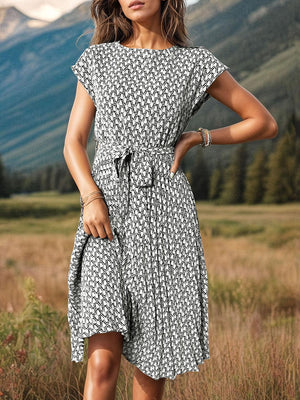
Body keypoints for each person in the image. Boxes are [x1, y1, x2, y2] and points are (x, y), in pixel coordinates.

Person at [63, 0, 278, 399]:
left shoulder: (195, 64)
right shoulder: (97, 59)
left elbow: (263, 122)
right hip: (105, 211)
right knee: (102, 359)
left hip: (166, 213)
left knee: (153, 360)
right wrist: (90, 196)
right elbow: (73, 142)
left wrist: (200, 137)